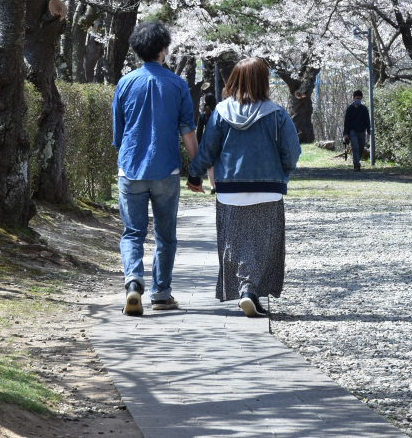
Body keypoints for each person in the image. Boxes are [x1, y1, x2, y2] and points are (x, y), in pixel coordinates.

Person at [187, 58, 301, 317]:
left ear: (234, 80)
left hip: (229, 190)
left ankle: (244, 289)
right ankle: (250, 291)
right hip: (268, 188)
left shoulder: (220, 112)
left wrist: (195, 176)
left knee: (234, 243)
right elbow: (291, 153)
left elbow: (207, 150)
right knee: (264, 243)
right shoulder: (278, 114)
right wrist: (282, 175)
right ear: (264, 81)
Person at [112, 20, 198, 316]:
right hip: (166, 170)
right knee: (165, 235)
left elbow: (118, 135)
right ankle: (161, 294)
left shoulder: (124, 83)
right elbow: (187, 130)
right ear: (163, 49)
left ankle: (133, 284)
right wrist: (196, 170)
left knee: (132, 233)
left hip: (131, 168)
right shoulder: (177, 84)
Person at [343, 89, 371, 171]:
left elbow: (367, 121)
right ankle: (357, 164)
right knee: (355, 147)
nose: (358, 100)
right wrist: (346, 133)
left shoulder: (364, 109)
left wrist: (368, 133)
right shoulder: (350, 109)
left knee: (361, 148)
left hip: (362, 131)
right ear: (354, 98)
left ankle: (356, 160)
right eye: (357, 98)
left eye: (359, 98)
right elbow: (346, 122)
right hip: (352, 131)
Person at [196, 93, 217, 194]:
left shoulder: (202, 114)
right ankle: (219, 184)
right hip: (219, 140)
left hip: (208, 142)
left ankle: (213, 187)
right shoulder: (218, 112)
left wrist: (199, 145)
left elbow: (199, 131)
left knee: (210, 166)